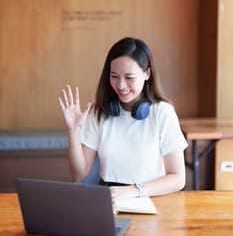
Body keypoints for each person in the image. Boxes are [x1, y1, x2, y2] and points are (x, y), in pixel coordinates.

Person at [58, 37, 188, 203]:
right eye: (114, 76)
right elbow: (79, 173)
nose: (120, 85)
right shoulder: (99, 112)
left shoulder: (163, 112)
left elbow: (177, 178)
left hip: (151, 198)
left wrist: (134, 190)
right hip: (111, 199)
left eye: (129, 77)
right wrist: (73, 132)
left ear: (147, 73)